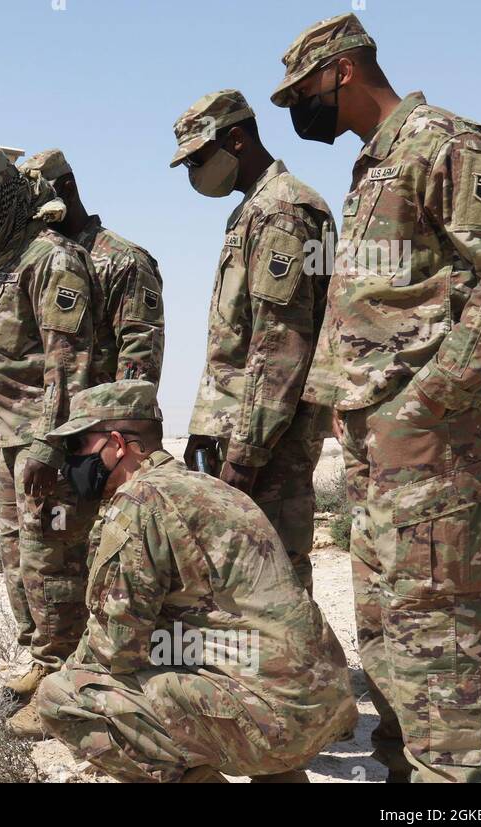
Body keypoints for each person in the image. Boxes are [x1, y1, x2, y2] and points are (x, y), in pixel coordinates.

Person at [271, 13, 481, 782]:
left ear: (344, 71)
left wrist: (432, 402)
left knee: (437, 620)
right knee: (389, 623)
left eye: (305, 92)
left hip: (432, 441)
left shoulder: (446, 142)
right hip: (376, 444)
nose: (301, 110)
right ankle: (405, 771)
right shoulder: (373, 166)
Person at [36, 381, 357, 782]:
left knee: (64, 698)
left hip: (273, 719)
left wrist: (72, 669)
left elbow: (116, 645)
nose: (70, 464)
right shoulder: (211, 488)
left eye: (78, 446)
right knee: (189, 650)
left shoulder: (140, 502)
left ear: (117, 443)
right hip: (322, 703)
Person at [0, 147, 103, 736]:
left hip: (43, 446)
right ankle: (43, 662)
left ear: (9, 201)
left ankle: (68, 680)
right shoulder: (4, 267)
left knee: (52, 562)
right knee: (18, 564)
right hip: (7, 444)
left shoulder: (52, 261)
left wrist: (49, 444)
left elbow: (69, 364)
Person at [168, 90, 335, 594]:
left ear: (235, 139)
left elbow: (281, 341)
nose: (195, 172)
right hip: (243, 427)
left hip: (270, 435)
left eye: (198, 157)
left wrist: (248, 449)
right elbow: (234, 335)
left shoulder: (283, 210)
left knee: (273, 566)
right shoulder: (253, 210)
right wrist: (205, 426)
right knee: (240, 568)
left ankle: (297, 671)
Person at [20, 147, 165, 384]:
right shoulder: (37, 262)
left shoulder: (123, 260)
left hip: (100, 416)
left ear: (67, 189)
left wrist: (123, 416)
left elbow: (140, 352)